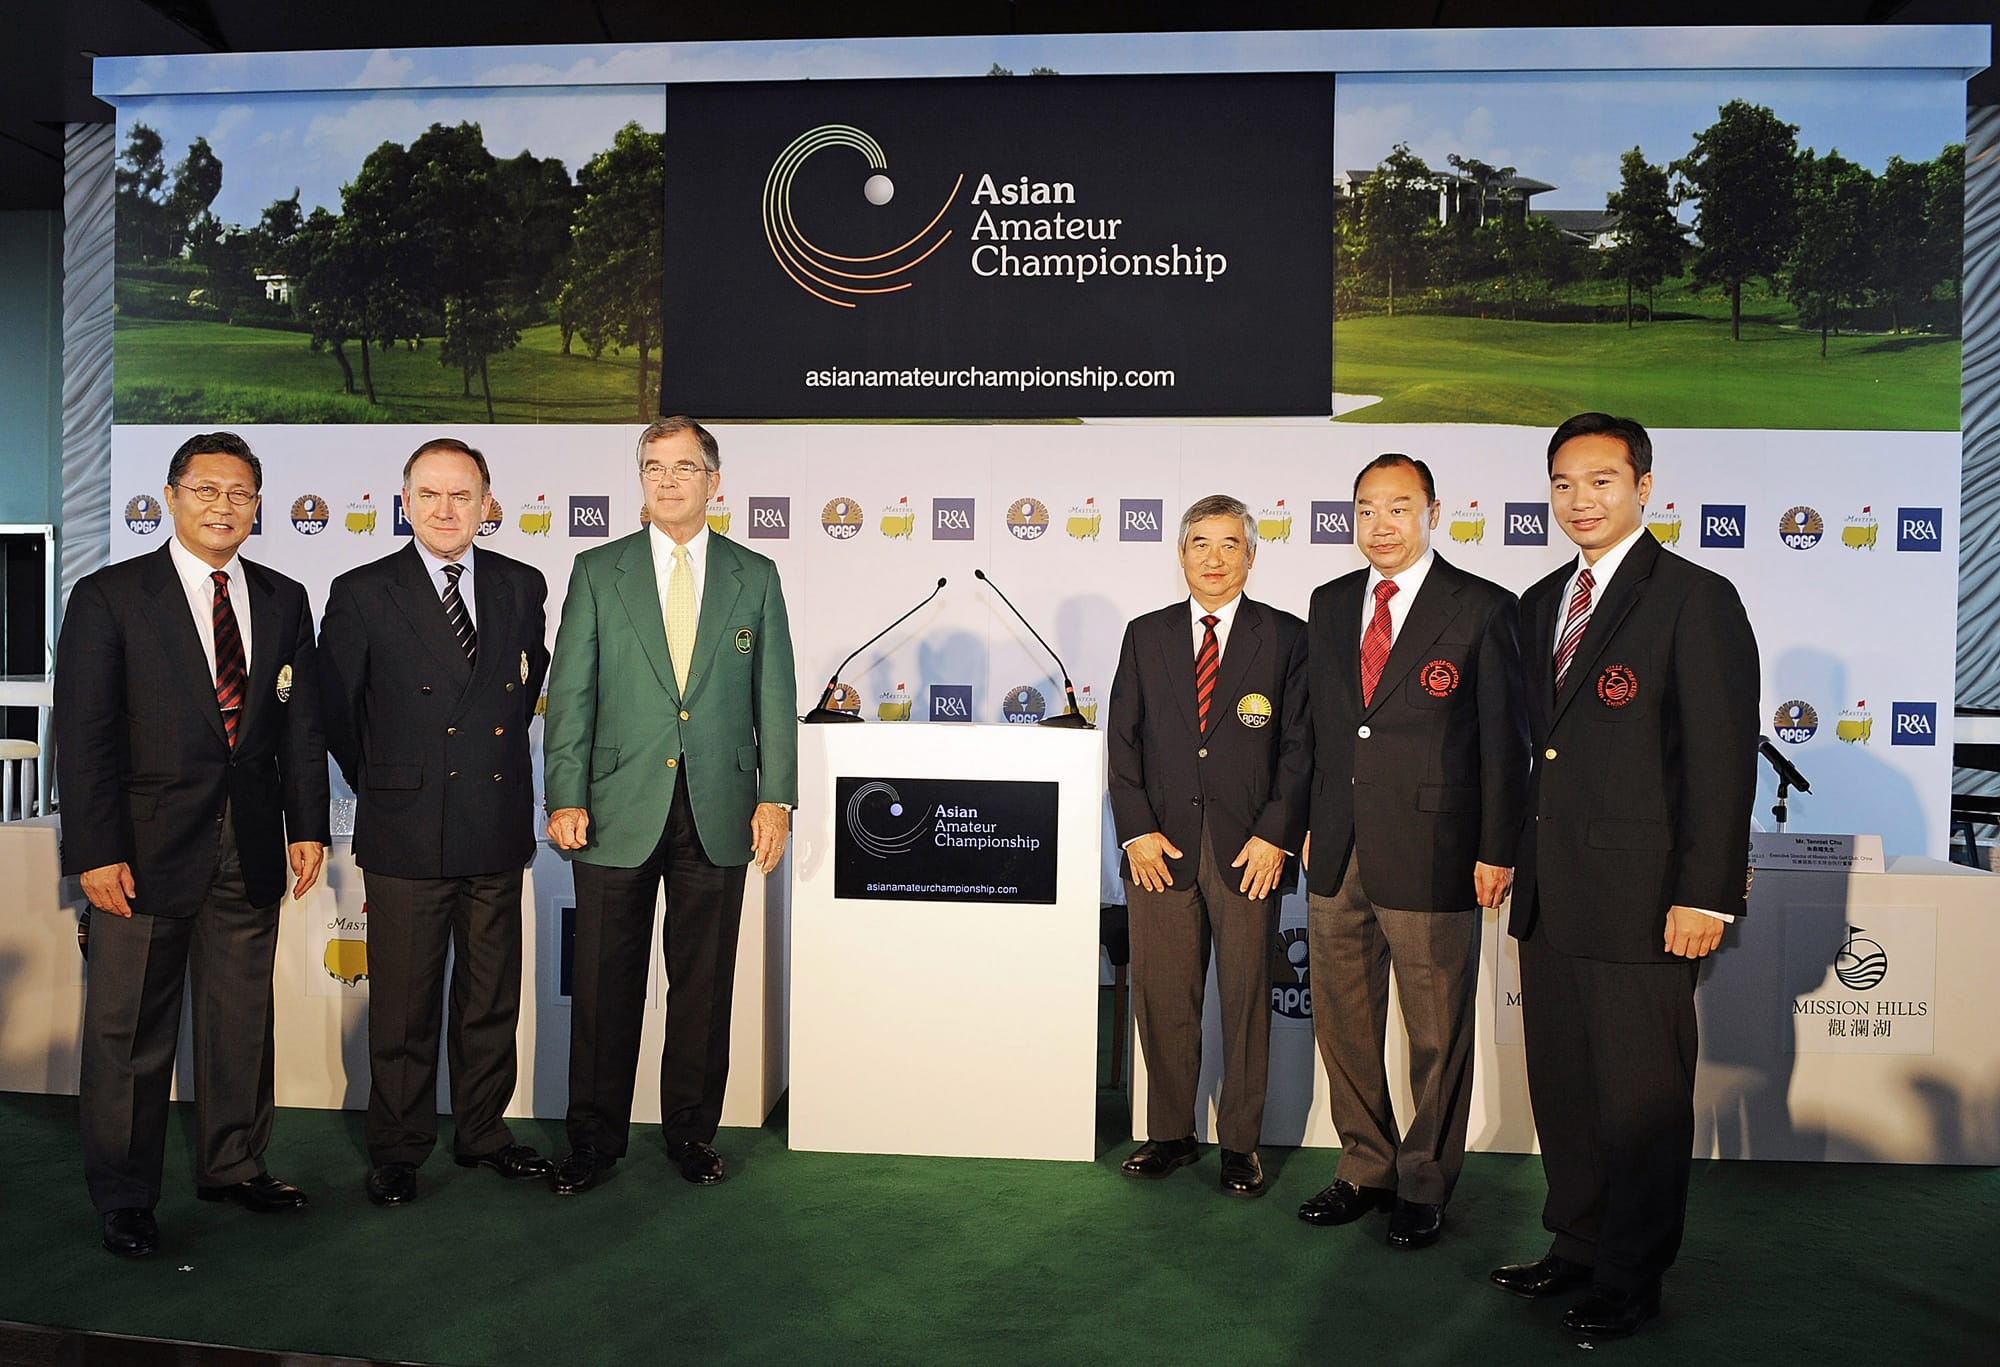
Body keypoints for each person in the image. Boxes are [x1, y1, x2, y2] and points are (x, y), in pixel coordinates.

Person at [1491, 413, 1758, 1338]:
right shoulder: (1537, 603)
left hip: (1649, 902)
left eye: (1601, 481)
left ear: (1645, 486)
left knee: (1640, 1101)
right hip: (1552, 896)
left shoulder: (1695, 597)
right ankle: (1576, 1242)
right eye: (1564, 483)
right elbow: (1544, 755)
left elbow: (1721, 763)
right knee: (1564, 1087)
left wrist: (1707, 890)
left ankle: (1633, 1275)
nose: (1581, 500)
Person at [55, 431, 329, 1258]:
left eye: (240, 493)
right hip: (139, 852)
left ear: (258, 506)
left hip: (248, 843)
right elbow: (86, 734)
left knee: (240, 1018)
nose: (223, 506)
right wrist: (95, 849)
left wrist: (307, 823)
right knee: (128, 1030)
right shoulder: (109, 597)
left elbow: (301, 725)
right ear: (170, 497)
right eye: (206, 489)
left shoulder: (283, 598)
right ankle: (126, 1195)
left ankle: (234, 1163)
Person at [542, 416, 797, 1194]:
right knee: (603, 980)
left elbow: (775, 695)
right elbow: (571, 695)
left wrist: (776, 797)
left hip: (718, 808)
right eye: (653, 466)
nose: (667, 480)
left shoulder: (755, 574)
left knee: (703, 982)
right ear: (641, 479)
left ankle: (692, 1133)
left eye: (684, 467)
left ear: (714, 482)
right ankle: (593, 1139)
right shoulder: (597, 568)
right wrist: (564, 793)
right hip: (616, 804)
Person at [1298, 454, 1528, 1249]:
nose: (1381, 525)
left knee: (1436, 1032)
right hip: (1335, 848)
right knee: (1344, 1022)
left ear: (1435, 510)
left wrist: (1498, 845)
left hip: (1436, 847)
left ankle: (1425, 1181)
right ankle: (1365, 1166)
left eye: (1398, 508)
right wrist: (1306, 818)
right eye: (1366, 509)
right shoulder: (1328, 604)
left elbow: (1504, 744)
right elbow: (1320, 731)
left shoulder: (1484, 607)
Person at [318, 438, 553, 1206]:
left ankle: (484, 1132)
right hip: (405, 826)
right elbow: (338, 712)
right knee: (405, 1004)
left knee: (490, 999)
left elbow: (521, 694)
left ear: (489, 503)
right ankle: (399, 1145)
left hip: (492, 823)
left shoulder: (523, 584)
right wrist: (388, 782)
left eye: (463, 495)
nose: (446, 510)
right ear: (406, 501)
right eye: (430, 495)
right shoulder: (361, 589)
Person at [1106, 494, 1309, 1198]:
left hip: (1247, 852)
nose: (1215, 558)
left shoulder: (1285, 637)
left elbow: (1298, 748)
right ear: (1181, 553)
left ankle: (1242, 1145)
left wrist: (1275, 835)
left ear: (1251, 554)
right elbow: (1123, 740)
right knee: (1163, 998)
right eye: (1200, 543)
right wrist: (1135, 830)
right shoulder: (1145, 634)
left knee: (1249, 997)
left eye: (1230, 544)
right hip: (1159, 851)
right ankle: (1170, 1133)